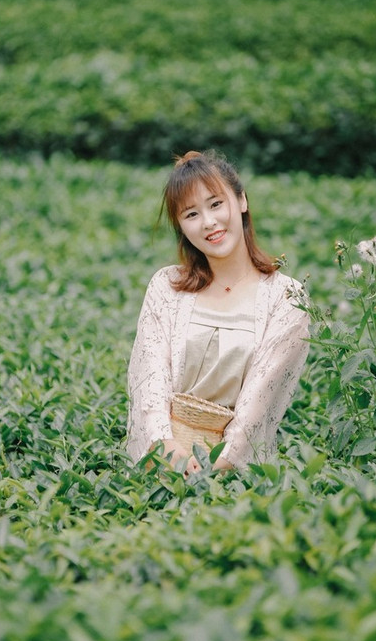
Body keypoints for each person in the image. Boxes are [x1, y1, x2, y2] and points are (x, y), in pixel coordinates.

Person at [126, 149, 309, 476]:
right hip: (161, 467)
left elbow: (260, 402)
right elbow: (149, 381)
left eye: (215, 204)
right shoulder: (166, 287)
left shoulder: (286, 298)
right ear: (181, 226)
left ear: (241, 201)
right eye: (191, 214)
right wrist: (166, 449)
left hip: (237, 477)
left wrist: (219, 465)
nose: (208, 222)